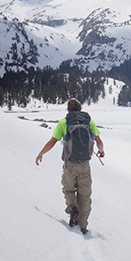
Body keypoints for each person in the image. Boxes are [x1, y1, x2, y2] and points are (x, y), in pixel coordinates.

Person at [35, 99, 104, 234]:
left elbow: (52, 142)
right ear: (80, 109)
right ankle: (83, 226)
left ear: (68, 110)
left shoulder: (64, 123)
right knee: (85, 196)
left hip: (69, 164)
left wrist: (41, 154)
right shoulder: (88, 121)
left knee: (68, 190)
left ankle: (73, 209)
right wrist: (101, 151)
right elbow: (99, 141)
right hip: (84, 164)